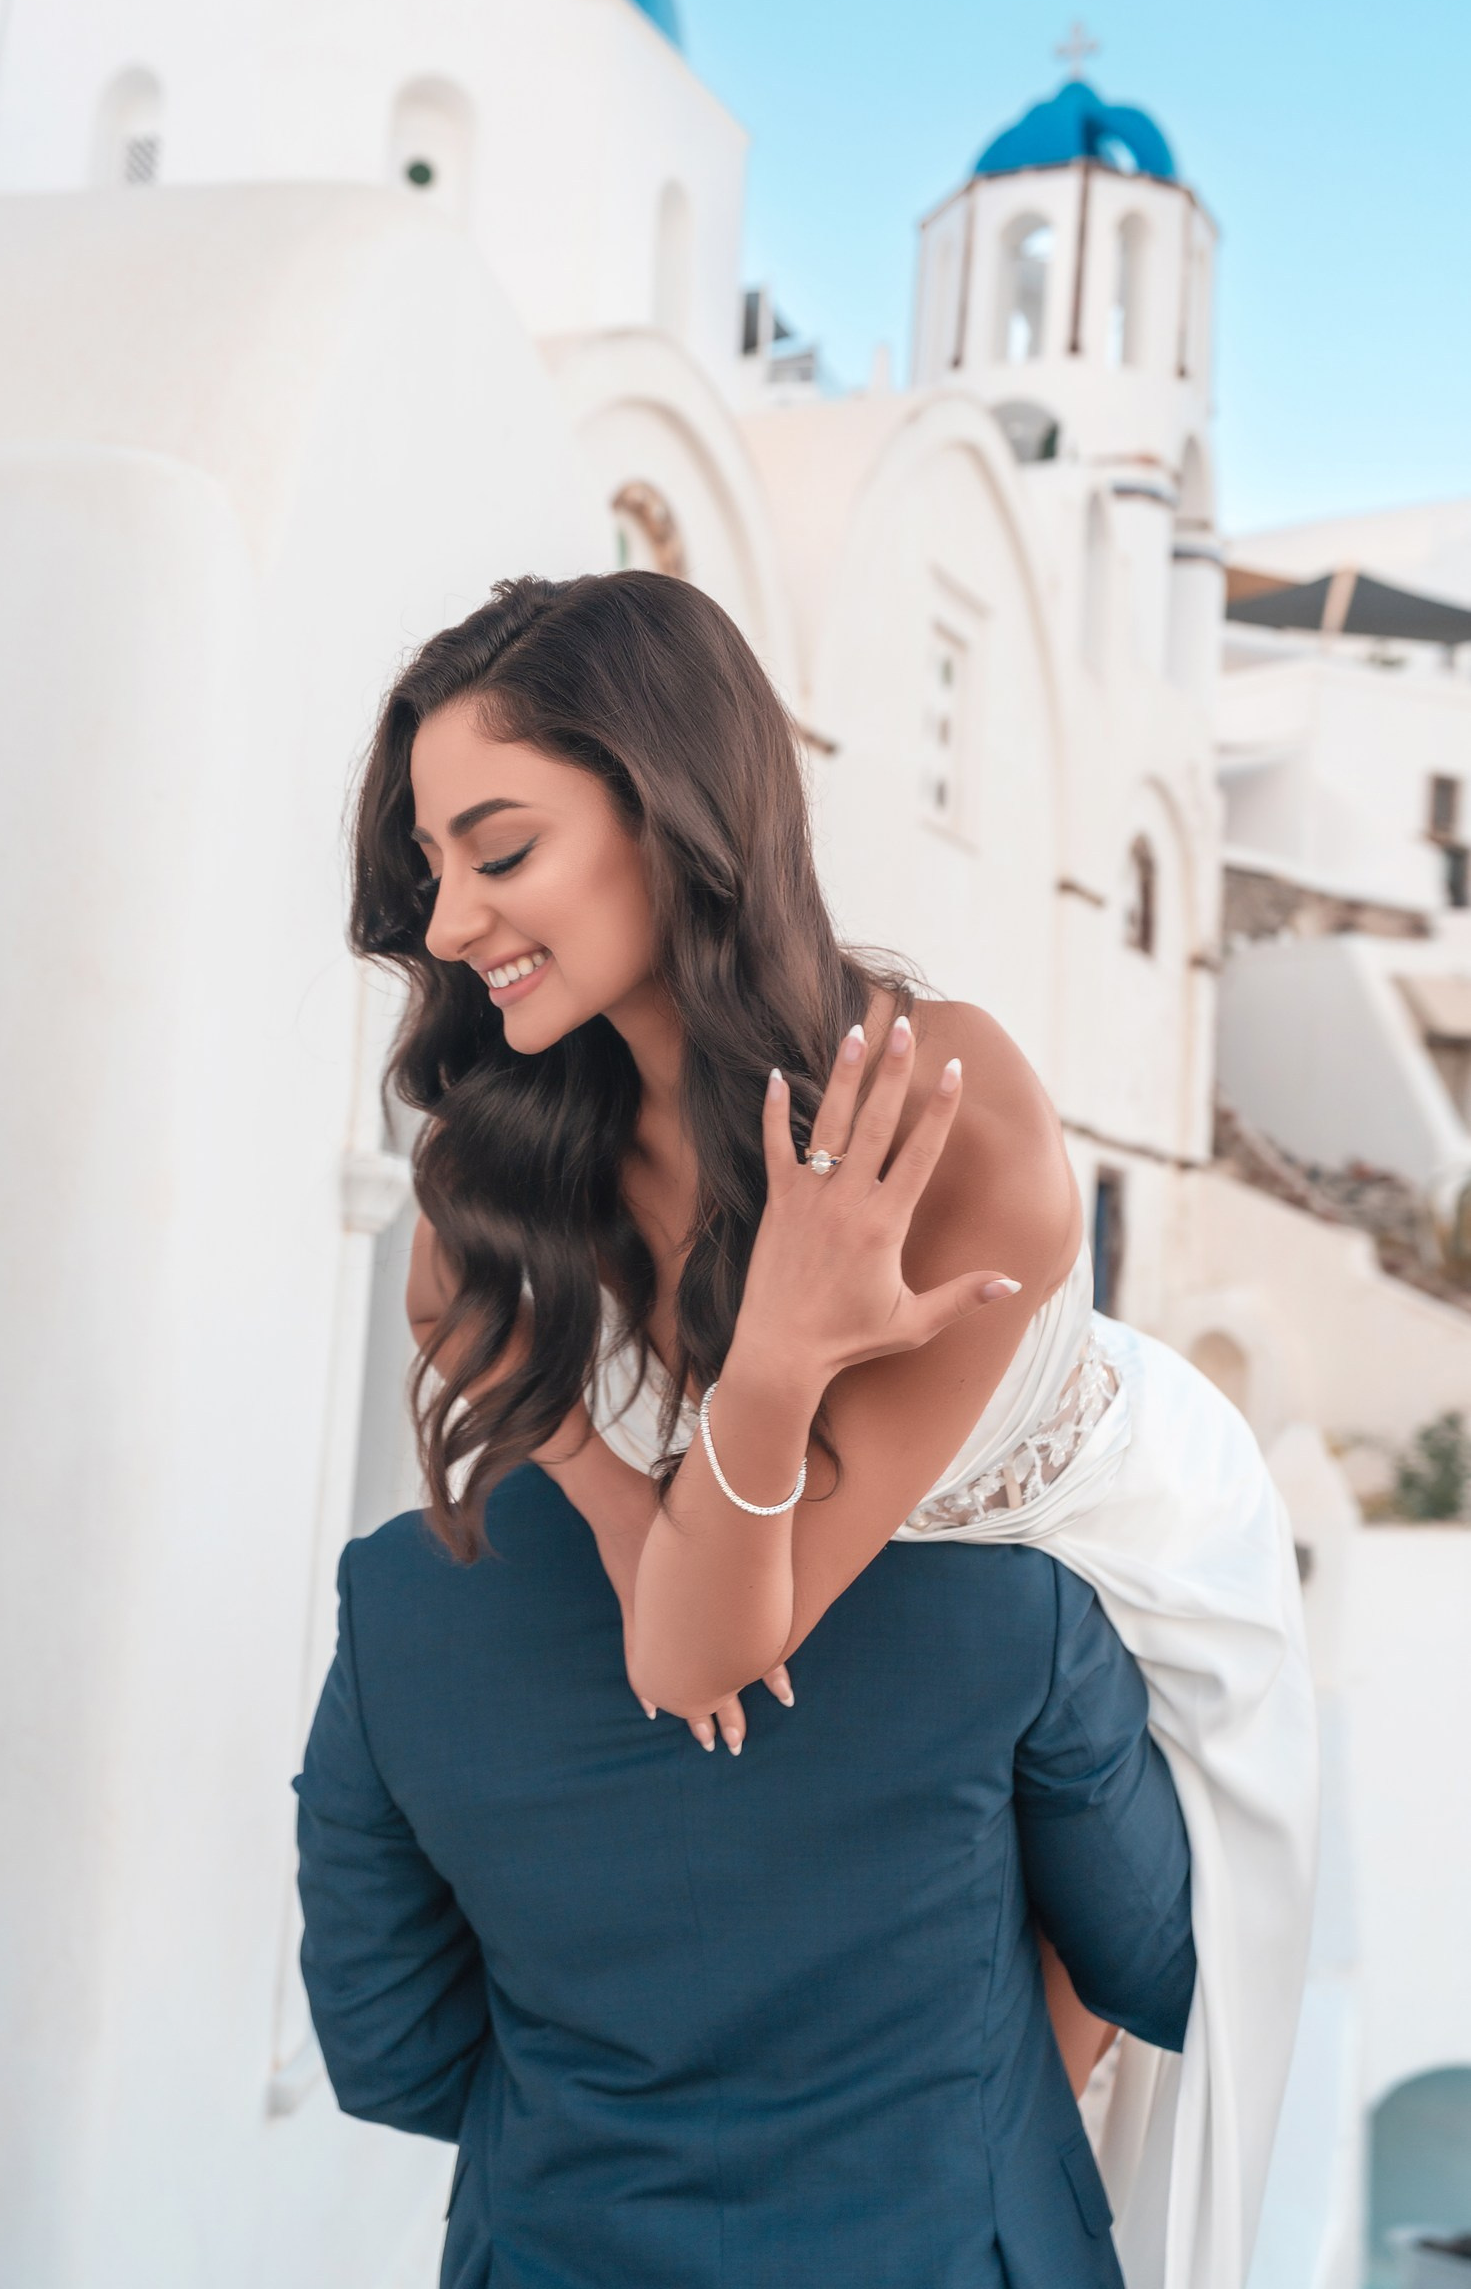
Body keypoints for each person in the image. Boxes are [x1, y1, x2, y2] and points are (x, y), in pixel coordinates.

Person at [334, 570, 1317, 2288]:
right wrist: (776, 1358)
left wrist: (767, 1385)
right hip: (769, 1550)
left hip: (1096, 1533)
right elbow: (686, 1650)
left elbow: (721, 1621)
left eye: (500, 853)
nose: (449, 921)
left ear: (669, 813)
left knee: (1138, 2049)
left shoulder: (946, 1098)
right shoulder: (490, 1213)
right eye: (430, 870)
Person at [297, 1450, 1195, 2288]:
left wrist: (596, 2115)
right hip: (953, 2249)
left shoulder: (401, 1593)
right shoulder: (1002, 1585)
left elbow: (389, 2051)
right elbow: (1161, 1968)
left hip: (555, 2250)